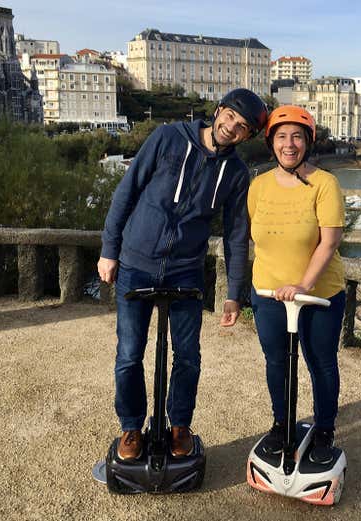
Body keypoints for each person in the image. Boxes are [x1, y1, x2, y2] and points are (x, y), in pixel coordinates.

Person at [98, 89, 268, 460]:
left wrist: (233, 293)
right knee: (129, 353)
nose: (231, 128)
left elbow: (238, 234)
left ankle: (180, 426)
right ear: (218, 111)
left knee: (188, 355)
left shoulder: (237, 173)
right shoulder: (168, 138)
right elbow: (127, 191)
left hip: (186, 270)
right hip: (137, 262)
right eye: (230, 117)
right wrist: (109, 249)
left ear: (247, 136)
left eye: (242, 128)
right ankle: (130, 428)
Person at [247, 105, 346, 464]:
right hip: (269, 293)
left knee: (321, 362)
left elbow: (330, 241)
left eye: (297, 137)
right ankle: (281, 422)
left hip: (318, 294)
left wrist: (304, 284)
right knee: (276, 362)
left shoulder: (325, 184)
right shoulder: (258, 186)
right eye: (282, 136)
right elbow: (256, 238)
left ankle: (324, 429)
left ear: (308, 141)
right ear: (271, 142)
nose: (289, 144)